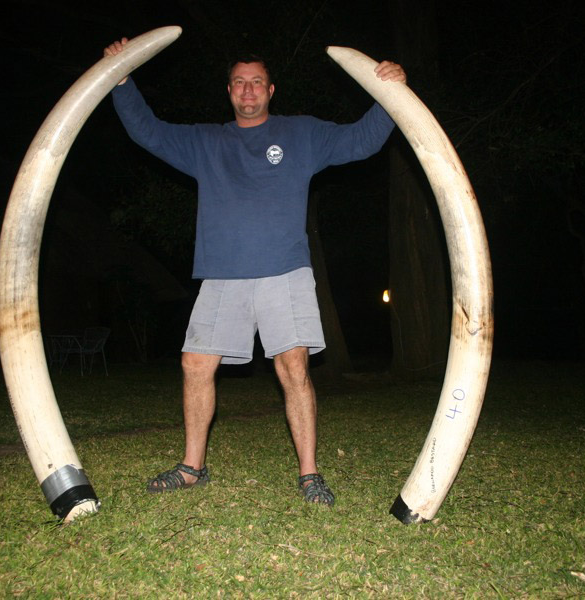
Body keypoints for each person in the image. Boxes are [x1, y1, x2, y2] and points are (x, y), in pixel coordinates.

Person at [104, 37, 405, 505]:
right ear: (229, 91)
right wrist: (121, 79)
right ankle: (192, 467)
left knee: (293, 368)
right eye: (240, 83)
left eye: (257, 83)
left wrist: (389, 94)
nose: (248, 91)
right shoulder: (206, 141)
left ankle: (309, 474)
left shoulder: (301, 134)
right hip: (222, 275)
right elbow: (149, 133)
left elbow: (361, 141)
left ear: (271, 90)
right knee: (195, 363)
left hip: (284, 271)